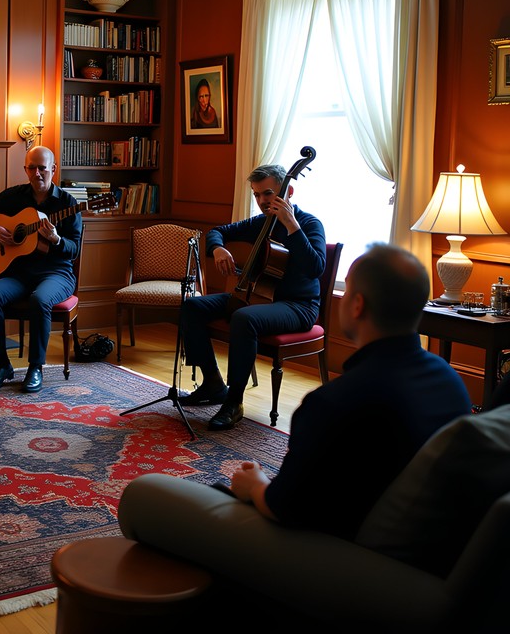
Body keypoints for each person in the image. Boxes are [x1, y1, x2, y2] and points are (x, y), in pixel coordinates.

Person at [229, 243, 472, 538]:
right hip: (432, 543)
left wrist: (255, 485)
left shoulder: (332, 403)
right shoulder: (451, 382)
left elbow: (284, 508)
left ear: (357, 305)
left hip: (356, 553)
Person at [177, 163, 326, 430]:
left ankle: (234, 402)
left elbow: (316, 268)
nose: (261, 201)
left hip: (297, 306)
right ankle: (213, 383)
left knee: (244, 318)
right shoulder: (261, 223)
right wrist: (218, 248)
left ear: (288, 191)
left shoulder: (309, 224)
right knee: (192, 306)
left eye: (267, 193)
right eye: (256, 195)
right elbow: (217, 231)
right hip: (258, 297)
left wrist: (291, 225)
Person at [0, 145, 82, 394]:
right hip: (20, 274)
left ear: (53, 169)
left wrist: (56, 240)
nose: (37, 173)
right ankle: (1, 364)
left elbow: (73, 250)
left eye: (42, 168)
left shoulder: (68, 204)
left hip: (57, 273)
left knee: (39, 299)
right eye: (32, 168)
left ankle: (35, 367)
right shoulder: (15, 196)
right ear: (25, 169)